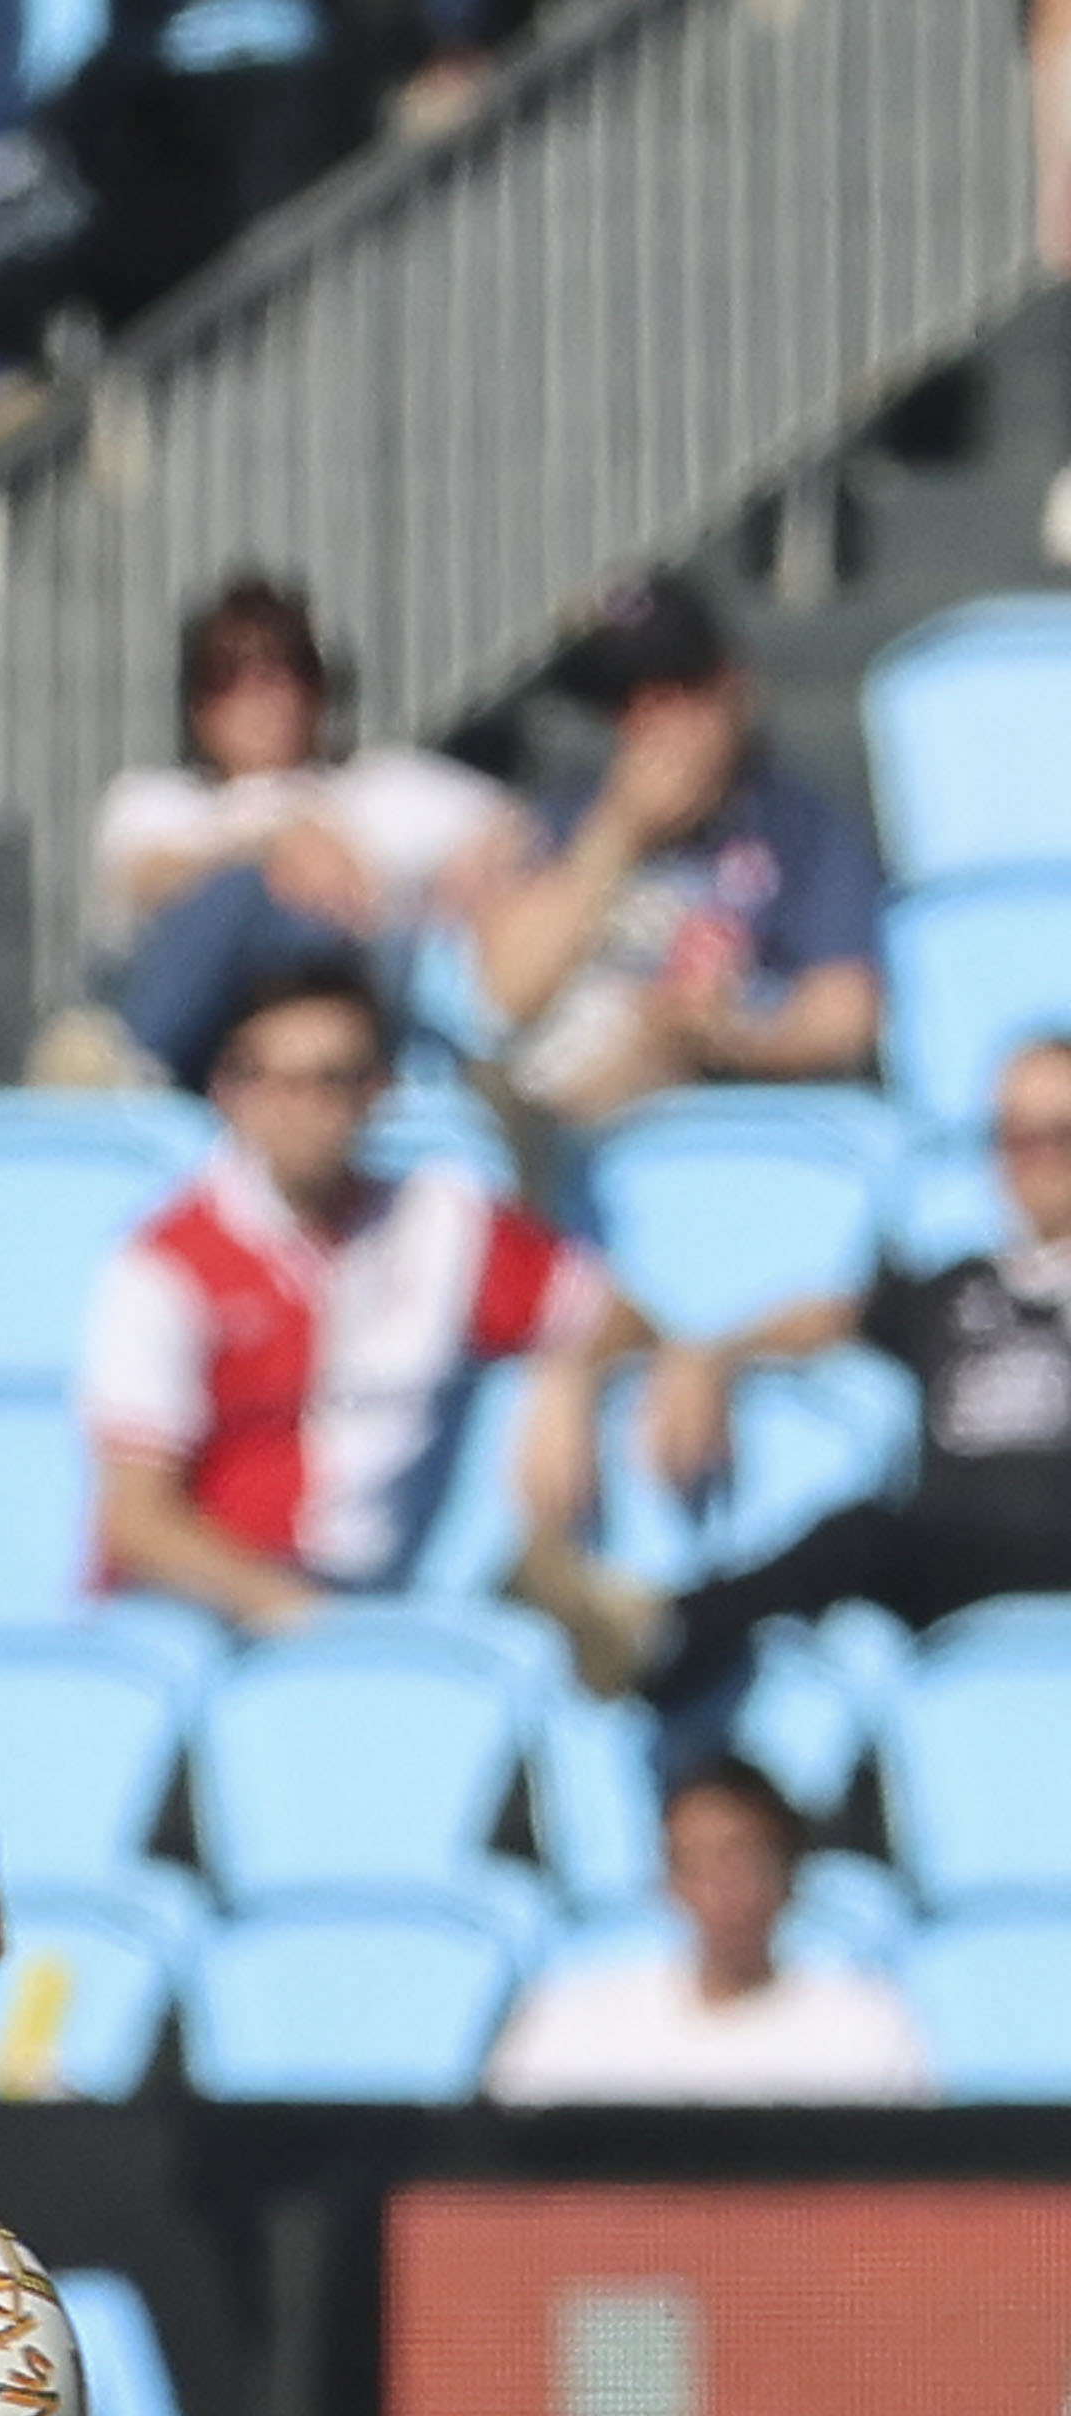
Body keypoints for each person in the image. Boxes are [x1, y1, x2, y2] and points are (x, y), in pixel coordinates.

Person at [543, 1031, 1071, 1732]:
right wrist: (714, 1353)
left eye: (1059, 1135)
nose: (1035, 1161)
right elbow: (829, 1316)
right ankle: (664, 1642)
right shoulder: (954, 1288)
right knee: (860, 1531)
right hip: (951, 1555)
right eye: (1014, 1136)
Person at [79, 954, 613, 1635]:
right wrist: (298, 1616)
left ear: (378, 1090)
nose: (306, 1109)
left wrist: (571, 1371)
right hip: (207, 1612)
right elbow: (136, 1521)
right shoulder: (165, 1265)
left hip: (373, 1597)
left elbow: (616, 1315)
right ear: (230, 1092)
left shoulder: (443, 1222)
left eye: (333, 1081)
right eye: (280, 1082)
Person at [469, 572, 888, 1128]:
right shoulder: (569, 816)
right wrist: (619, 832)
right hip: (557, 1090)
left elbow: (845, 1016)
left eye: (674, 690)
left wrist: (726, 1039)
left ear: (732, 684)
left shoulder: (804, 829)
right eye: (623, 701)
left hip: (723, 1106)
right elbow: (504, 992)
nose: (651, 721)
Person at [87, 577, 519, 1092]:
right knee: (249, 894)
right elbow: (144, 878)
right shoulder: (158, 801)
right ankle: (141, 1071)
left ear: (317, 688)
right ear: (198, 705)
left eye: (283, 669)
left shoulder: (382, 788)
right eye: (228, 676)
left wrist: (479, 867)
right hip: (197, 1046)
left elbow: (518, 827)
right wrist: (277, 842)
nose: (260, 694)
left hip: (362, 1011)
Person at [481, 1754, 932, 2108]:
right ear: (667, 1881)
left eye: (741, 1859)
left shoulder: (864, 2028)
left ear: (790, 1874)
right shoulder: (575, 2021)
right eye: (696, 1863)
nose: (722, 1888)